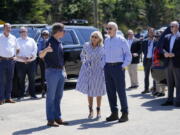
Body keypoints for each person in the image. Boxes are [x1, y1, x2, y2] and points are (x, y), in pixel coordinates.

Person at [39, 23, 68, 127]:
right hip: (52, 72)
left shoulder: (59, 42)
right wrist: (46, 50)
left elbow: (61, 58)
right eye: (63, 31)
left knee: (58, 96)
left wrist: (64, 71)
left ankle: (58, 117)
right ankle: (50, 120)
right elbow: (41, 55)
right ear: (58, 31)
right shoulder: (48, 42)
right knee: (51, 97)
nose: (64, 32)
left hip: (60, 72)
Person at [104, 22, 132, 122]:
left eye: (110, 28)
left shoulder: (121, 40)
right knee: (110, 92)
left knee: (121, 91)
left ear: (115, 29)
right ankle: (114, 113)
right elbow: (104, 54)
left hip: (118, 67)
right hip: (108, 67)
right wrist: (104, 66)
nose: (108, 30)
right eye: (107, 28)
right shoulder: (106, 40)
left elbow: (128, 55)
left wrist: (123, 66)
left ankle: (125, 113)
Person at [76, 31, 106, 119]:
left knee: (98, 91)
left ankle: (98, 110)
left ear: (99, 38)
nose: (93, 38)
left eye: (96, 37)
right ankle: (90, 110)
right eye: (92, 36)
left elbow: (105, 57)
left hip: (98, 70)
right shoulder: (86, 45)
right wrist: (84, 62)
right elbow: (82, 55)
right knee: (90, 91)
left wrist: (102, 65)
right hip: (88, 69)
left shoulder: (102, 47)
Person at [161, 21, 180, 107]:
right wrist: (165, 53)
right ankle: (169, 100)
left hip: (177, 62)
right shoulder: (167, 37)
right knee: (169, 82)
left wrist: (175, 54)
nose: (171, 28)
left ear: (177, 27)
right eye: (170, 26)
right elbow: (162, 48)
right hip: (168, 62)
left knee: (178, 82)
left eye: (173, 26)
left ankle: (178, 101)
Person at [16, 27, 37, 100]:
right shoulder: (17, 41)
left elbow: (35, 50)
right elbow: (15, 52)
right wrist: (22, 58)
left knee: (32, 79)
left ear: (27, 32)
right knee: (21, 80)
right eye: (21, 31)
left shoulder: (32, 40)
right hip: (20, 63)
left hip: (31, 62)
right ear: (19, 33)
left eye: (24, 31)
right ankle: (21, 95)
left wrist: (30, 57)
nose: (23, 33)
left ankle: (32, 94)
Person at [0, 23, 19, 105]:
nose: (9, 29)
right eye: (7, 27)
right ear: (3, 28)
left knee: (10, 80)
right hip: (2, 61)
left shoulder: (13, 37)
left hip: (11, 61)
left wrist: (15, 56)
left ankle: (8, 98)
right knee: (1, 80)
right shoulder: (0, 37)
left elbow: (17, 49)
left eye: (10, 28)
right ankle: (1, 99)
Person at [141, 27, 156, 94]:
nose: (151, 33)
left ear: (154, 32)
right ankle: (146, 89)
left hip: (153, 60)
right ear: (148, 33)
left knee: (154, 75)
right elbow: (143, 50)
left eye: (152, 31)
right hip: (146, 60)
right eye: (150, 31)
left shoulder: (156, 41)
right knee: (146, 75)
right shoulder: (144, 41)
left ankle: (154, 89)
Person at [37, 30, 50, 98]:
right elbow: (39, 52)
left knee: (50, 76)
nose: (45, 36)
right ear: (42, 35)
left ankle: (50, 91)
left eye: (46, 34)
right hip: (43, 60)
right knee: (43, 76)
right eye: (43, 34)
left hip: (50, 61)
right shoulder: (40, 42)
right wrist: (43, 57)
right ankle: (43, 91)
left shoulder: (50, 42)